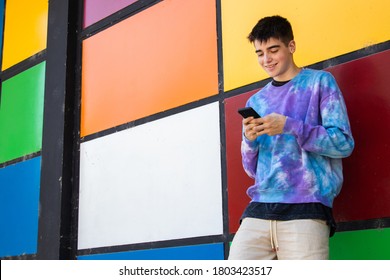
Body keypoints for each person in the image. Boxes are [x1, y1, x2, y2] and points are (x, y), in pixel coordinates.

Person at [228, 15, 354, 260]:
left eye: (273, 50)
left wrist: (290, 126)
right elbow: (251, 170)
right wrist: (250, 141)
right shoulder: (256, 101)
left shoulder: (320, 82)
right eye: (260, 53)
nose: (266, 60)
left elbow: (343, 143)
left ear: (291, 46)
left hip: (306, 207)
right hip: (259, 208)